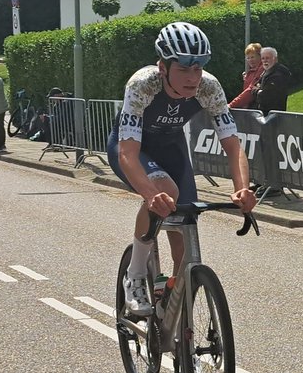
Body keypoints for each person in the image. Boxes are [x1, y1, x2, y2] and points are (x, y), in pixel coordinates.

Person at [108, 21, 256, 317]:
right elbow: (128, 152)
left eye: (198, 68)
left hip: (173, 150)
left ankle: (170, 312)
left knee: (184, 247)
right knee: (165, 193)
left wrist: (242, 188)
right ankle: (135, 276)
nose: (193, 78)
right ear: (163, 67)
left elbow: (232, 144)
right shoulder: (143, 84)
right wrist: (151, 194)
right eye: (184, 69)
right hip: (134, 149)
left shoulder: (209, 87)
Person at [254, 46, 292, 114]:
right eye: (263, 58)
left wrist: (257, 91)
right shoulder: (266, 72)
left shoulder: (278, 75)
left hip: (275, 116)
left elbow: (265, 97)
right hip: (265, 114)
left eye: (267, 58)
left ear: (275, 59)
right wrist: (258, 90)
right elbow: (254, 85)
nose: (265, 60)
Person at [228, 42, 264, 109]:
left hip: (256, 108)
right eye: (248, 58)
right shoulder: (250, 72)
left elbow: (250, 90)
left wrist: (232, 104)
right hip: (249, 107)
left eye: (253, 57)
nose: (250, 60)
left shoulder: (261, 69)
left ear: (260, 56)